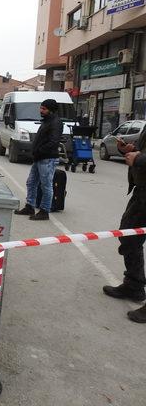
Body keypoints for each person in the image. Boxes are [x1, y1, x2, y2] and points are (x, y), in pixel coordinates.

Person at [102, 127, 146, 322]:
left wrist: (139, 159)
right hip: (142, 191)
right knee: (128, 235)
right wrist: (130, 149)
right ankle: (134, 285)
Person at [14, 99, 63, 221]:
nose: (41, 110)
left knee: (46, 186)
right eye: (41, 108)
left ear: (51, 110)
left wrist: (39, 150)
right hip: (39, 158)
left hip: (47, 159)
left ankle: (44, 211)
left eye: (44, 109)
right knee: (31, 182)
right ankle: (30, 206)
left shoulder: (56, 123)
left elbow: (53, 142)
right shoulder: (46, 121)